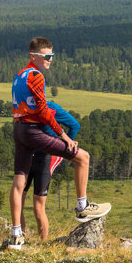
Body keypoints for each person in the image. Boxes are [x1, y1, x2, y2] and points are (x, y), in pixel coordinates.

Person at [10, 37, 109, 247]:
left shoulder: (19, 76)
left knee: (19, 182)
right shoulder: (36, 76)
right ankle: (82, 207)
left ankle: (16, 235)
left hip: (19, 129)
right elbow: (44, 111)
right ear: (33, 56)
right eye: (47, 56)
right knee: (83, 157)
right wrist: (64, 137)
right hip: (33, 131)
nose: (50, 60)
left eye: (52, 56)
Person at [17, 100, 80, 245]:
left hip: (44, 158)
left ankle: (43, 245)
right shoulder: (25, 106)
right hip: (30, 156)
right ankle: (22, 240)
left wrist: (65, 145)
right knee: (18, 202)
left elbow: (75, 125)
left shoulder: (50, 107)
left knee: (38, 207)